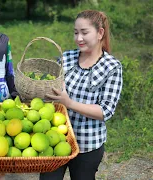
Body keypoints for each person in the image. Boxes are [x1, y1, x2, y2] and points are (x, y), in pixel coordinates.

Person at [42, 10, 123, 180]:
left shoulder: (112, 67)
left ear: (100, 33)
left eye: (84, 32)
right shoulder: (67, 57)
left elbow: (105, 111)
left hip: (88, 145)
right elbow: (51, 88)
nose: (78, 38)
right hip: (56, 139)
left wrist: (69, 102)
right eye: (76, 32)